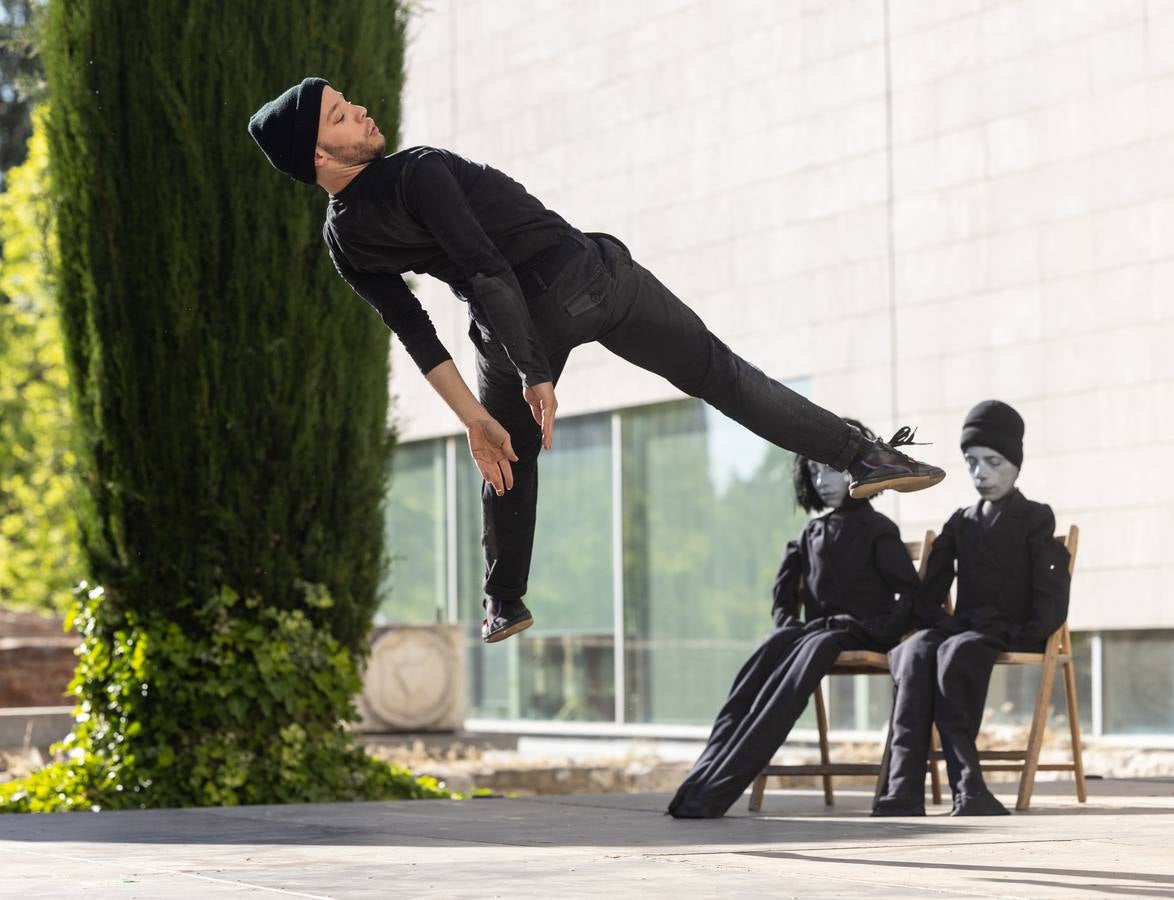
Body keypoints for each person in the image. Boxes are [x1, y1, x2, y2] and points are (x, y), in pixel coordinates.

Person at [248, 77, 946, 643]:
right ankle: (865, 457)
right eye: (342, 116)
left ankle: (504, 600)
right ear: (318, 156)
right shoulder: (418, 170)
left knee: (505, 454)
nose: (361, 111)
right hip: (582, 281)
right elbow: (487, 266)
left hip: (509, 325)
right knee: (720, 377)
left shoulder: (342, 241)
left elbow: (419, 332)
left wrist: (479, 417)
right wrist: (535, 374)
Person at [668, 420, 921, 818]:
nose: (822, 479)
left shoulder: (877, 530)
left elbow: (910, 591)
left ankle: (715, 790)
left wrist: (880, 628)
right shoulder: (810, 534)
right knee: (767, 654)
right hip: (814, 636)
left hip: (860, 632)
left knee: (801, 661)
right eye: (815, 469)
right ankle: (698, 783)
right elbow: (785, 596)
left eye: (832, 469)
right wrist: (786, 625)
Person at [872, 400, 1071, 817]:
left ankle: (969, 788)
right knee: (914, 650)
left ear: (1016, 465)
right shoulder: (961, 521)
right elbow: (930, 592)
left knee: (954, 652)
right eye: (972, 462)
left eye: (994, 462)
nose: (981, 473)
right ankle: (903, 790)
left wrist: (1030, 631)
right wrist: (937, 623)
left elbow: (1052, 590)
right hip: (964, 627)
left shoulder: (1035, 518)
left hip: (1005, 629)